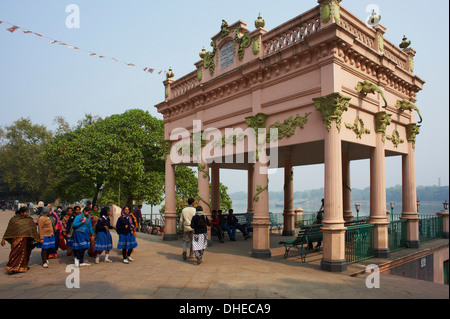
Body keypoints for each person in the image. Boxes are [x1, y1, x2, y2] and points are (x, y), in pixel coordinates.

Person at [1, 207, 40, 274]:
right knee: (15, 253)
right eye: (25, 212)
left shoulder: (29, 219)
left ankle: (23, 266)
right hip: (16, 240)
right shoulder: (14, 220)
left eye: (27, 212)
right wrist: (4, 238)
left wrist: (36, 237)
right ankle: (12, 268)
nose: (27, 213)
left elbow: (33, 228)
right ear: (21, 212)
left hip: (26, 240)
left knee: (25, 253)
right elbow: (9, 229)